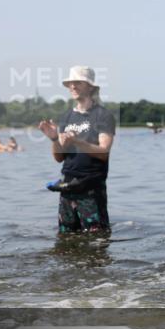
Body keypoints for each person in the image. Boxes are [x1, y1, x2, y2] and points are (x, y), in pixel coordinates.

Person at [37, 66, 115, 233]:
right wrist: (53, 139)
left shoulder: (103, 115)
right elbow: (59, 157)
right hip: (67, 187)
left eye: (78, 82)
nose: (72, 86)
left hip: (91, 189)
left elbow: (103, 153)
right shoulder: (66, 117)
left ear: (91, 87)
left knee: (97, 241)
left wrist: (78, 142)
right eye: (70, 83)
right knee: (66, 240)